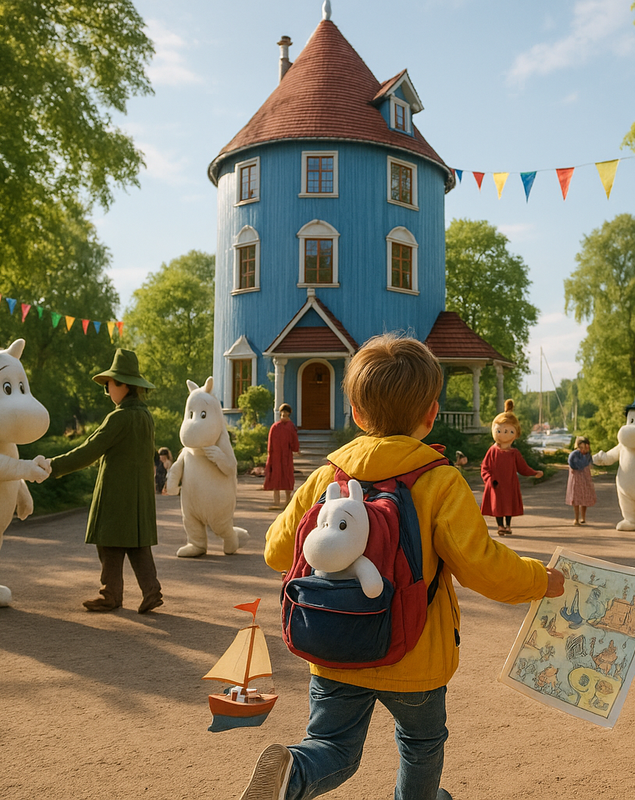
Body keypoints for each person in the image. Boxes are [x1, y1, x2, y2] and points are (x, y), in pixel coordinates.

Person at [242, 332, 564, 800]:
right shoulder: (439, 481)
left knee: (332, 746)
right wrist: (541, 580)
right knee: (421, 743)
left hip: (333, 644)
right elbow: (483, 567)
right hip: (416, 652)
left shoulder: (327, 475)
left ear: (355, 412)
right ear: (431, 414)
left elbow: (277, 552)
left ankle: (294, 773)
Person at [47, 349, 163, 614]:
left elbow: (89, 450)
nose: (108, 391)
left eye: (109, 385)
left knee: (109, 543)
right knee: (137, 544)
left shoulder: (119, 417)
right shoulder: (145, 416)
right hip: (139, 496)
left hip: (115, 493)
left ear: (123, 386)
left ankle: (110, 594)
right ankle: (151, 590)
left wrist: (54, 466)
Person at [479, 399, 543, 535]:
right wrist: (489, 480)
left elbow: (522, 467)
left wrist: (533, 472)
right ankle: (500, 526)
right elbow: (485, 467)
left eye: (509, 431)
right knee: (497, 506)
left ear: (516, 433)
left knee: (509, 505)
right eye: (501, 430)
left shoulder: (514, 453)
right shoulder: (493, 451)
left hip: (510, 484)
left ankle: (508, 525)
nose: (505, 434)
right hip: (496, 484)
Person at [264, 403, 299, 508]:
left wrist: (295, 449)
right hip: (275, 457)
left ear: (288, 413)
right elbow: (270, 443)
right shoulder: (275, 427)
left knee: (287, 477)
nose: (283, 414)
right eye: (282, 413)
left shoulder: (290, 427)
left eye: (285, 413)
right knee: (276, 477)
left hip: (286, 456)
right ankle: (276, 501)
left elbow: (294, 442)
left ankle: (287, 500)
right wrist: (270, 454)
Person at [565, 436, 596, 526]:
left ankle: (583, 517)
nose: (582, 449)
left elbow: (589, 465)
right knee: (576, 499)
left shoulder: (587, 456)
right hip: (576, 479)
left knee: (585, 498)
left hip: (585, 479)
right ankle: (576, 518)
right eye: (581, 447)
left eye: (584, 447)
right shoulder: (574, 455)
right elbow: (574, 465)